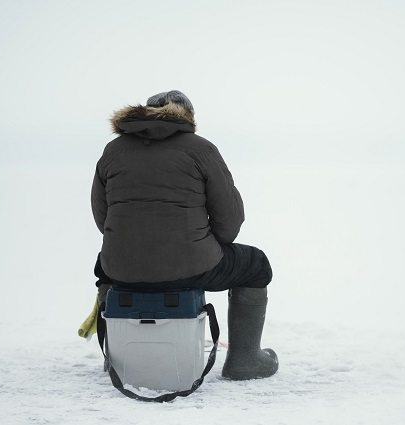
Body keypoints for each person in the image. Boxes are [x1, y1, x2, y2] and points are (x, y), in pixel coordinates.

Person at [91, 90, 278, 380]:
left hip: (122, 270)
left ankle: (115, 357)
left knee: (104, 267)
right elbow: (229, 222)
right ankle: (245, 360)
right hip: (191, 268)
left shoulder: (113, 150)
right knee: (255, 265)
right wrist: (199, 243)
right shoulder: (201, 149)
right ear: (187, 116)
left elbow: (103, 220)